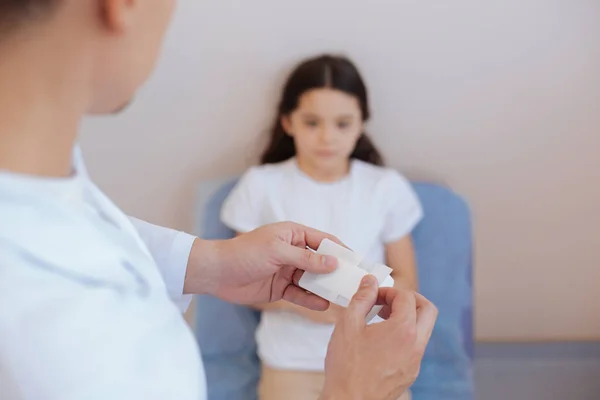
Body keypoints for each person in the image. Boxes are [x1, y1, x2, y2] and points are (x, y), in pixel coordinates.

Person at [0, 2, 438, 400]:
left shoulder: (44, 177)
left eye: (342, 123)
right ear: (122, 5)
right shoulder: (69, 353)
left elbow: (84, 230)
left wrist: (207, 262)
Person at [221, 54, 423, 400]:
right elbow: (243, 279)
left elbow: (406, 281)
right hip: (290, 364)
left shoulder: (385, 188)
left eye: (342, 124)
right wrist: (305, 305)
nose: (327, 137)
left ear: (361, 123)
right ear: (288, 122)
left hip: (370, 359)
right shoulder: (261, 185)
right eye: (312, 122)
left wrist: (355, 305)